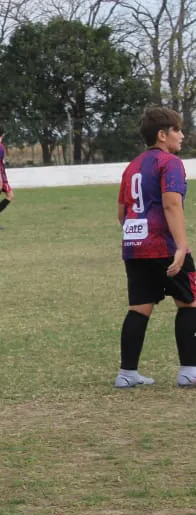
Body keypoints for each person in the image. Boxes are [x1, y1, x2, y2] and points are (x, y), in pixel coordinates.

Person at [115, 106, 196, 388]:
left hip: (134, 246)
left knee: (139, 307)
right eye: (177, 130)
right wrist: (181, 246)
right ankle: (189, 370)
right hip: (164, 245)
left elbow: (121, 211)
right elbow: (171, 202)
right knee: (190, 301)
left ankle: (127, 373)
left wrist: (135, 236)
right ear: (163, 135)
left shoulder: (132, 166)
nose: (182, 136)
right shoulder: (170, 162)